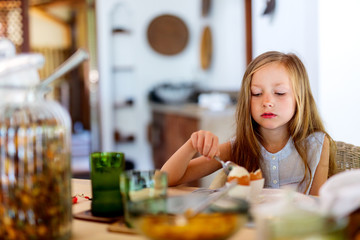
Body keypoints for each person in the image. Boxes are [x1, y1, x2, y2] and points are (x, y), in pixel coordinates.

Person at [161, 51, 337, 196]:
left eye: (280, 93)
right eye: (257, 93)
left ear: (301, 98)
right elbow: (166, 179)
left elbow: (317, 205)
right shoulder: (239, 147)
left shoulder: (317, 144)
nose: (267, 101)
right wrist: (192, 144)